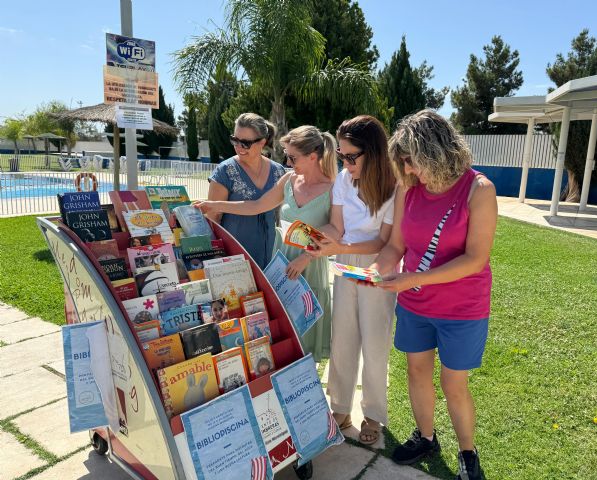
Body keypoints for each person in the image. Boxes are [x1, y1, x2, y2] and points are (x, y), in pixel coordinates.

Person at [370, 110, 497, 480]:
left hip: (462, 307)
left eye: (410, 161)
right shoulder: (406, 189)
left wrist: (411, 279)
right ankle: (426, 437)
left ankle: (467, 453)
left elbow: (475, 259)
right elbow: (395, 247)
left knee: (453, 384)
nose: (407, 170)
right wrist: (381, 268)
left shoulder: (479, 190)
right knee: (416, 371)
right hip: (416, 304)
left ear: (435, 152)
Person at [194, 125, 337, 361]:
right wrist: (215, 205)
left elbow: (335, 230)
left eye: (292, 157)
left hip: (309, 265)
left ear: (313, 156)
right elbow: (256, 206)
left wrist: (306, 257)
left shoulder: (333, 188)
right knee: (281, 332)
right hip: (281, 264)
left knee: (306, 340)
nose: (288, 163)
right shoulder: (289, 180)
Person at [307, 115, 397, 446]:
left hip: (378, 266)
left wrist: (340, 245)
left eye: (350, 156)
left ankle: (373, 414)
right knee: (343, 339)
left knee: (375, 344)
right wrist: (319, 241)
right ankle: (340, 408)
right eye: (342, 156)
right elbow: (337, 226)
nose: (345, 163)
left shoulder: (393, 186)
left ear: (372, 152)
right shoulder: (344, 180)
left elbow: (382, 243)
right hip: (345, 261)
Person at [204, 113, 286, 269]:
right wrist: (217, 258)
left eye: (245, 143)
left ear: (262, 142)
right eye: (235, 140)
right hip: (235, 257)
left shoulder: (278, 171)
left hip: (271, 254)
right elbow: (213, 219)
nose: (238, 147)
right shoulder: (224, 171)